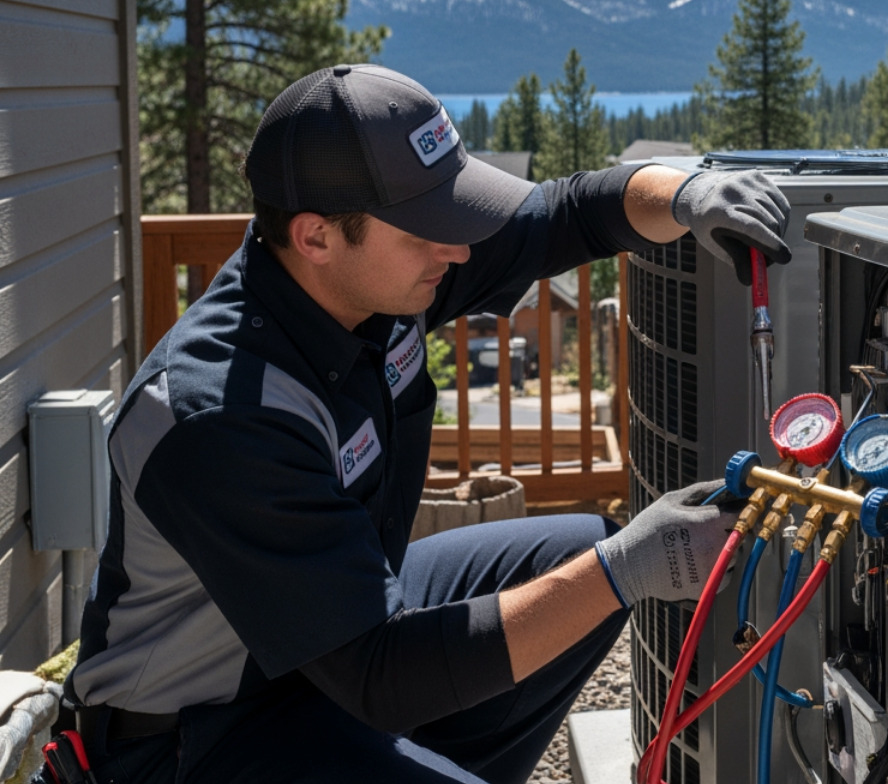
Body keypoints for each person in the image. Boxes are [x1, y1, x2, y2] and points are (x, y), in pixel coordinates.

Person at [65, 64, 792, 783]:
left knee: (576, 550)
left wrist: (687, 193)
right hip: (195, 736)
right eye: (430, 227)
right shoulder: (220, 414)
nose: (459, 248)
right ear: (317, 237)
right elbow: (380, 677)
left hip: (336, 642)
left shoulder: (370, 279)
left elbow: (570, 212)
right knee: (603, 569)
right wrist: (630, 567)